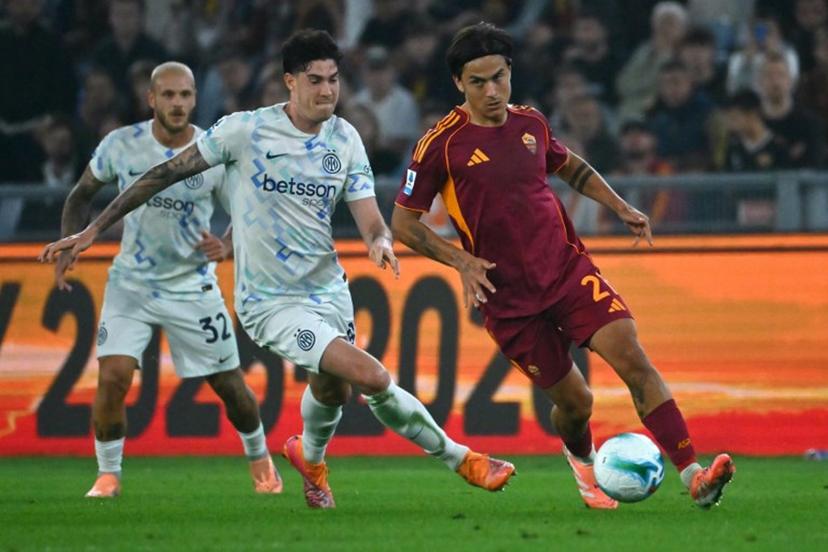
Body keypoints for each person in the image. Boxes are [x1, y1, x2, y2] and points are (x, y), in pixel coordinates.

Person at [40, 30, 515, 510]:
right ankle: (463, 459)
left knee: (330, 389)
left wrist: (380, 243)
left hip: (328, 291)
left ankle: (309, 459)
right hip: (269, 303)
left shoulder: (345, 138)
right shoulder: (245, 131)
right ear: (290, 82)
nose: (327, 90)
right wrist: (93, 229)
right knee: (370, 378)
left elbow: (371, 219)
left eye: (333, 80)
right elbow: (161, 174)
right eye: (315, 80)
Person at [391, 22, 735, 510]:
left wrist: (619, 206)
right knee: (576, 404)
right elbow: (403, 223)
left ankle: (694, 476)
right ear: (458, 83)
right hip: (508, 299)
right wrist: (460, 260)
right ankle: (583, 465)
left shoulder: (531, 123)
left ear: (510, 72)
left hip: (566, 272)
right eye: (478, 82)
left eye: (499, 77)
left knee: (633, 357)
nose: (492, 92)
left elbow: (570, 166)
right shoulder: (441, 144)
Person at [47, 61, 283, 499]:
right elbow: (81, 195)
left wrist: (227, 245)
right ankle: (108, 475)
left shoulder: (211, 151)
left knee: (230, 386)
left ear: (194, 99)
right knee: (113, 377)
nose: (178, 103)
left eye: (185, 95)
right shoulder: (121, 144)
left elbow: (247, 209)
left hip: (192, 285)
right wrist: (67, 245)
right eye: (169, 95)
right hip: (131, 283)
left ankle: (260, 459)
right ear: (151, 98)